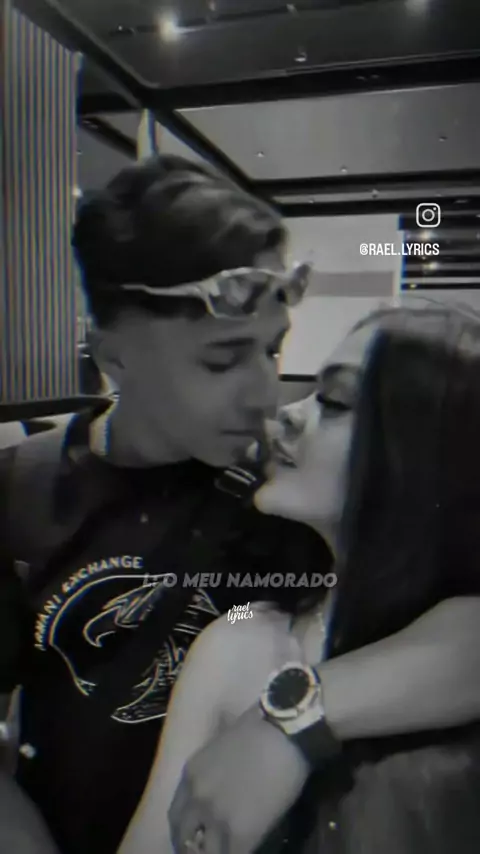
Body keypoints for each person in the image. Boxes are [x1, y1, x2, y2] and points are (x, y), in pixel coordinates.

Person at [0, 156, 480, 854]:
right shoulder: (16, 491)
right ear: (114, 356)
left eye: (272, 351)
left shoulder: (283, 490)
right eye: (221, 361)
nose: (265, 397)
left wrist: (289, 723)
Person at [118, 302, 480, 854]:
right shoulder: (238, 639)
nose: (285, 413)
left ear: (427, 453)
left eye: (334, 401)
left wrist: (289, 722)